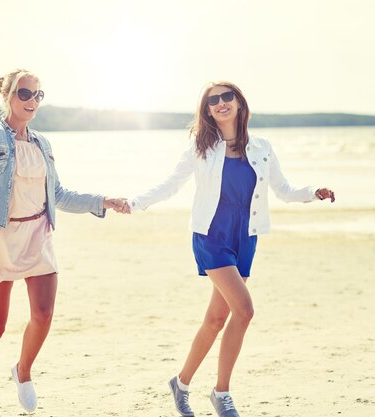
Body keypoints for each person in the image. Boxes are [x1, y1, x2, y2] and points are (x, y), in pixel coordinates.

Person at [124, 81, 335, 417]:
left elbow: (284, 189)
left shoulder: (262, 146)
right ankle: (221, 393)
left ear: (239, 102)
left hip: (245, 237)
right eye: (213, 100)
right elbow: (170, 185)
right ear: (206, 110)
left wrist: (314, 191)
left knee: (216, 319)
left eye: (227, 97)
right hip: (211, 236)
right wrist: (134, 203)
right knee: (245, 310)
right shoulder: (200, 147)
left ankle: (180, 383)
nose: (221, 103)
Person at [0, 69, 126, 417]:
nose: (32, 101)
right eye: (24, 93)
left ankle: (23, 370)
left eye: (38, 95)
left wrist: (102, 201)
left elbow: (58, 194)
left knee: (43, 316)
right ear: (8, 96)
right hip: (0, 236)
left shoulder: (43, 143)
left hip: (38, 236)